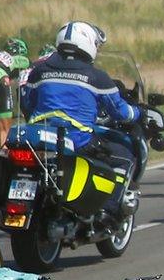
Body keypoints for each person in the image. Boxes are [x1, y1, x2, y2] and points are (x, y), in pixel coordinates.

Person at [19, 21, 149, 192]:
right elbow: (120, 112)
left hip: (37, 138)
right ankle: (109, 211)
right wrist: (139, 112)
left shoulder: (39, 72)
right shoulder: (97, 77)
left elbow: (27, 103)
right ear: (88, 44)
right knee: (124, 157)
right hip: (77, 139)